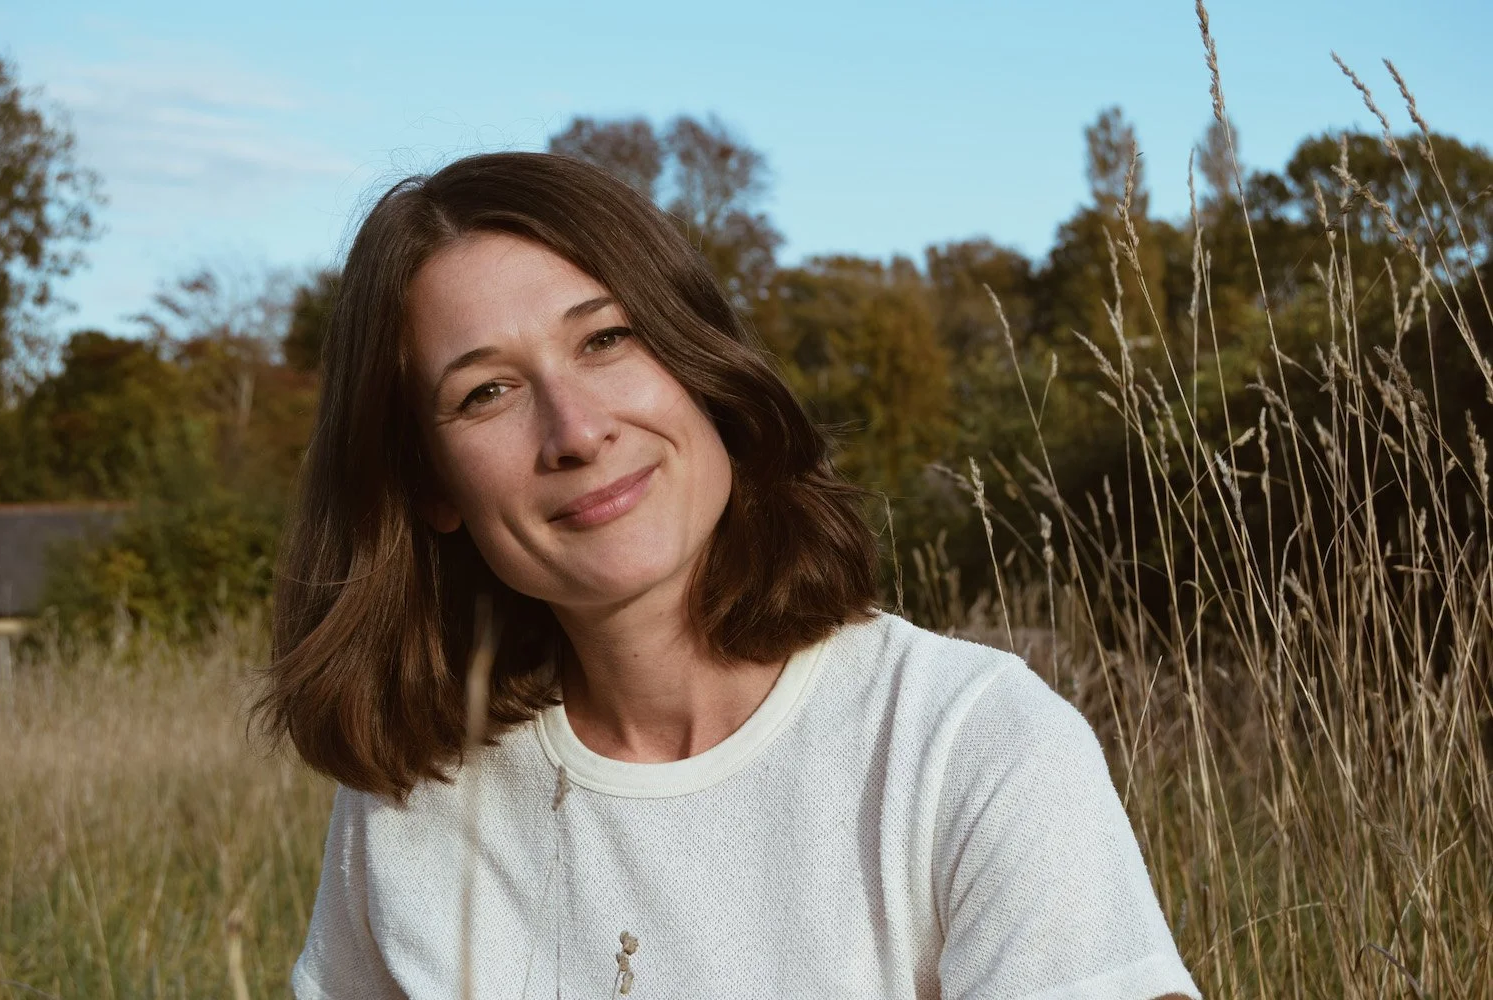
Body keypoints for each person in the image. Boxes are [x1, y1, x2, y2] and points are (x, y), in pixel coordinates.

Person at [256, 151, 1202, 1000]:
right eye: (486, 392)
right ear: (429, 484)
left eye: (606, 339)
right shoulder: (412, 798)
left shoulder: (970, 745)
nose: (577, 431)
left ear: (701, 366)